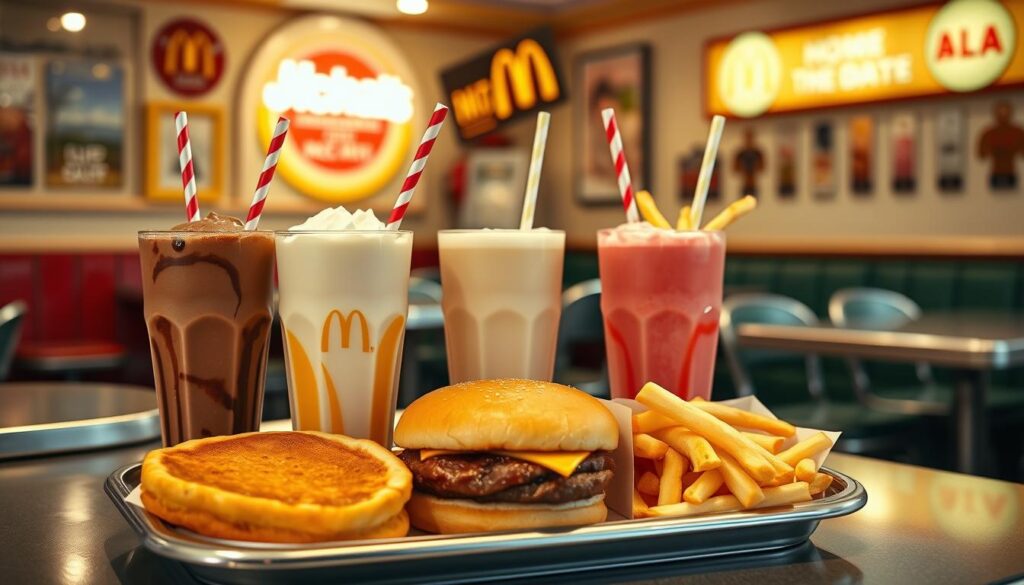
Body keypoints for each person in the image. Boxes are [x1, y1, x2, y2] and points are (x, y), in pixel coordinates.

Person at [978, 101, 1024, 190]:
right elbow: (981, 154)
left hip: (1011, 172)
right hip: (995, 172)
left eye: (1006, 113)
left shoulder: (1018, 132)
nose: (1003, 117)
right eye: (1000, 113)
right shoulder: (988, 133)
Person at [733, 128, 763, 197]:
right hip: (745, 183)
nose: (749, 140)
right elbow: (735, 168)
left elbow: (761, 167)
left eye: (750, 138)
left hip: (753, 183)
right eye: (747, 138)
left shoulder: (757, 153)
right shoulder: (740, 154)